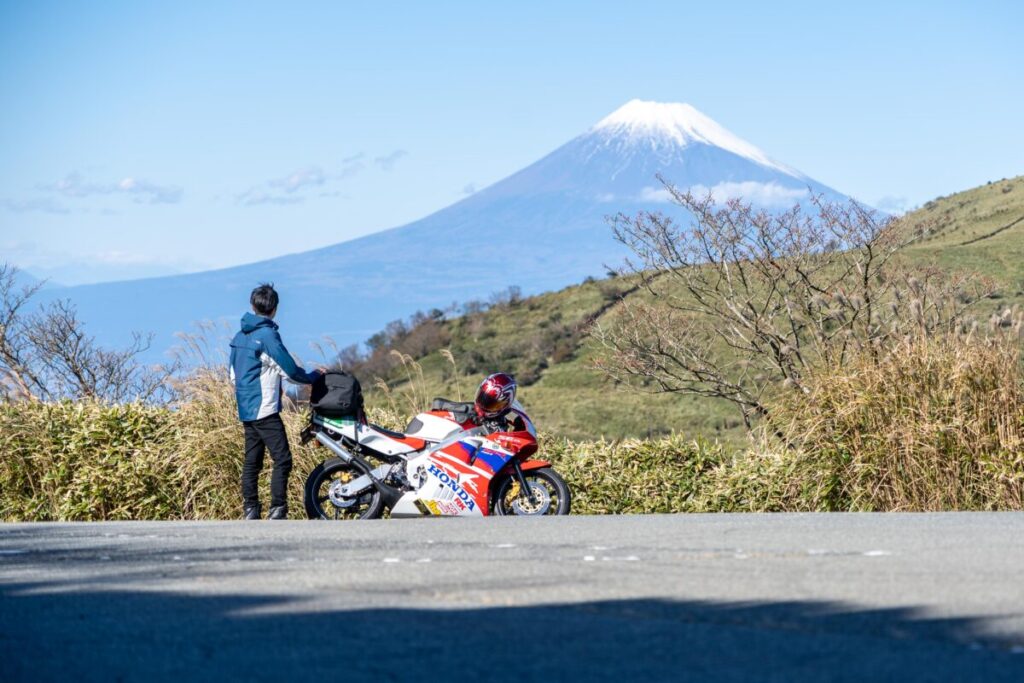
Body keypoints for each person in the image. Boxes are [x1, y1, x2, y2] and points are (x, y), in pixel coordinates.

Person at [229, 283, 324, 520]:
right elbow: (290, 371)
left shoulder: (240, 336)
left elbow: (232, 375)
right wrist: (313, 376)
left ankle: (251, 509)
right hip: (265, 409)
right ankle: (277, 509)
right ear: (275, 309)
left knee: (252, 461)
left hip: (246, 408)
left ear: (252, 305)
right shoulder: (268, 336)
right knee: (283, 459)